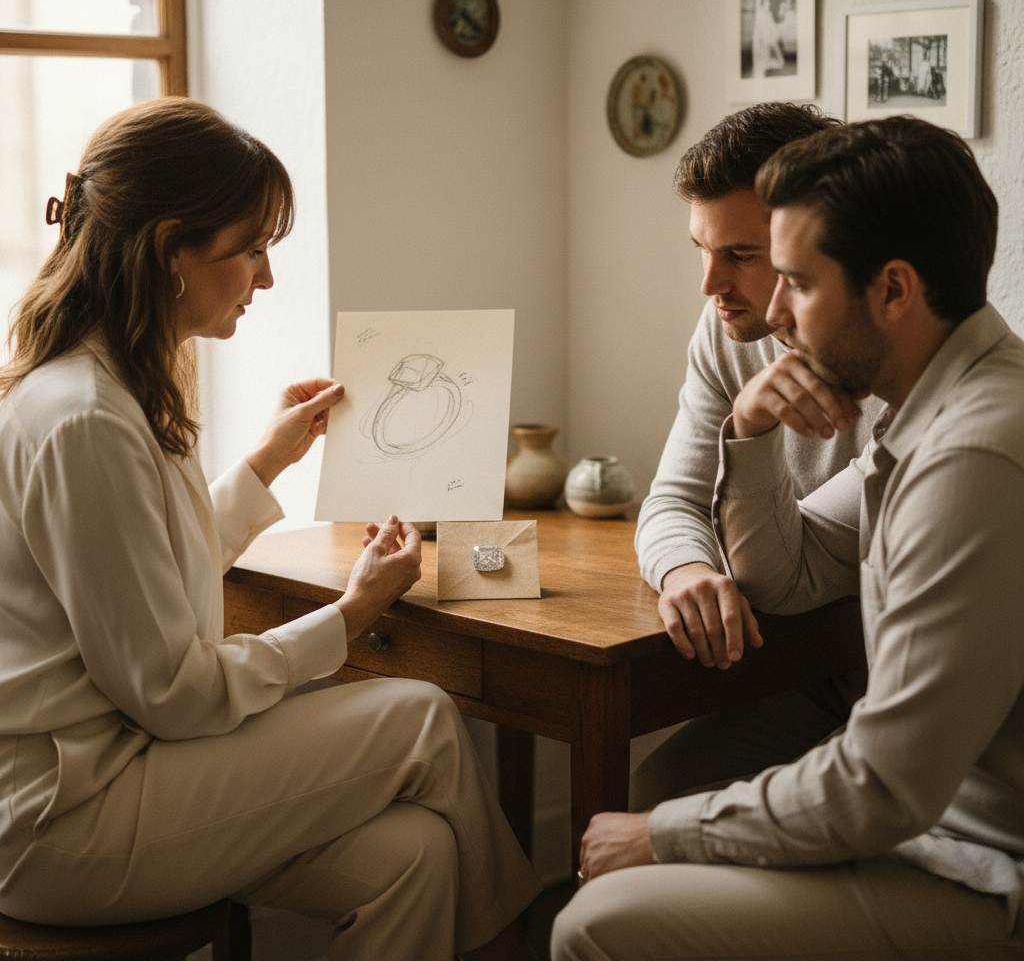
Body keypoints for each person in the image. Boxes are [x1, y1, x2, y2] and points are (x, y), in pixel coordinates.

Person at [0, 97, 542, 961]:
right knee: (422, 716)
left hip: (114, 775)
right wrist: (351, 616)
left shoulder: (110, 387)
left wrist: (266, 463)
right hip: (67, 820)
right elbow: (172, 695)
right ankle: (518, 946)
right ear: (170, 249)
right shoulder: (85, 419)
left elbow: (147, 577)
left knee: (418, 856)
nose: (266, 277)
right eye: (251, 248)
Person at [553, 116, 1024, 958]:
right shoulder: (941, 411)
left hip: (979, 861)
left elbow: (885, 782)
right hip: (925, 799)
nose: (770, 310)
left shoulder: (969, 456)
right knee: (649, 808)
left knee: (594, 921)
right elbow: (743, 549)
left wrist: (663, 835)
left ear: (892, 290)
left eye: (793, 280)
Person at [632, 102, 882, 809]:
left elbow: (783, 577)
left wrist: (749, 432)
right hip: (809, 676)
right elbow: (673, 499)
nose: (710, 286)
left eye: (741, 256)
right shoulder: (728, 332)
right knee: (649, 791)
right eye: (701, 250)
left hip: (892, 684)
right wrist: (683, 569)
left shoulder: (901, 363)